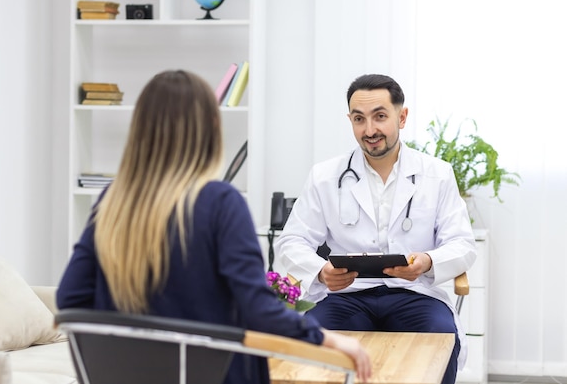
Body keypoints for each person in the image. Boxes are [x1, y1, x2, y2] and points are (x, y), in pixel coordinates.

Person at [56, 70, 371, 384]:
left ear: (139, 130)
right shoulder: (220, 202)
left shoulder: (112, 202)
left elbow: (71, 298)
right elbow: (258, 309)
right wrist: (329, 340)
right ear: (211, 128)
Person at [274, 73, 477, 384]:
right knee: (311, 343)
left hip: (414, 293)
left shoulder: (436, 174)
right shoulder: (326, 176)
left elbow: (462, 243)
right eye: (359, 119)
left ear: (402, 116)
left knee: (440, 338)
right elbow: (292, 241)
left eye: (380, 116)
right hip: (346, 296)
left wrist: (427, 261)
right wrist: (319, 271)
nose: (369, 130)